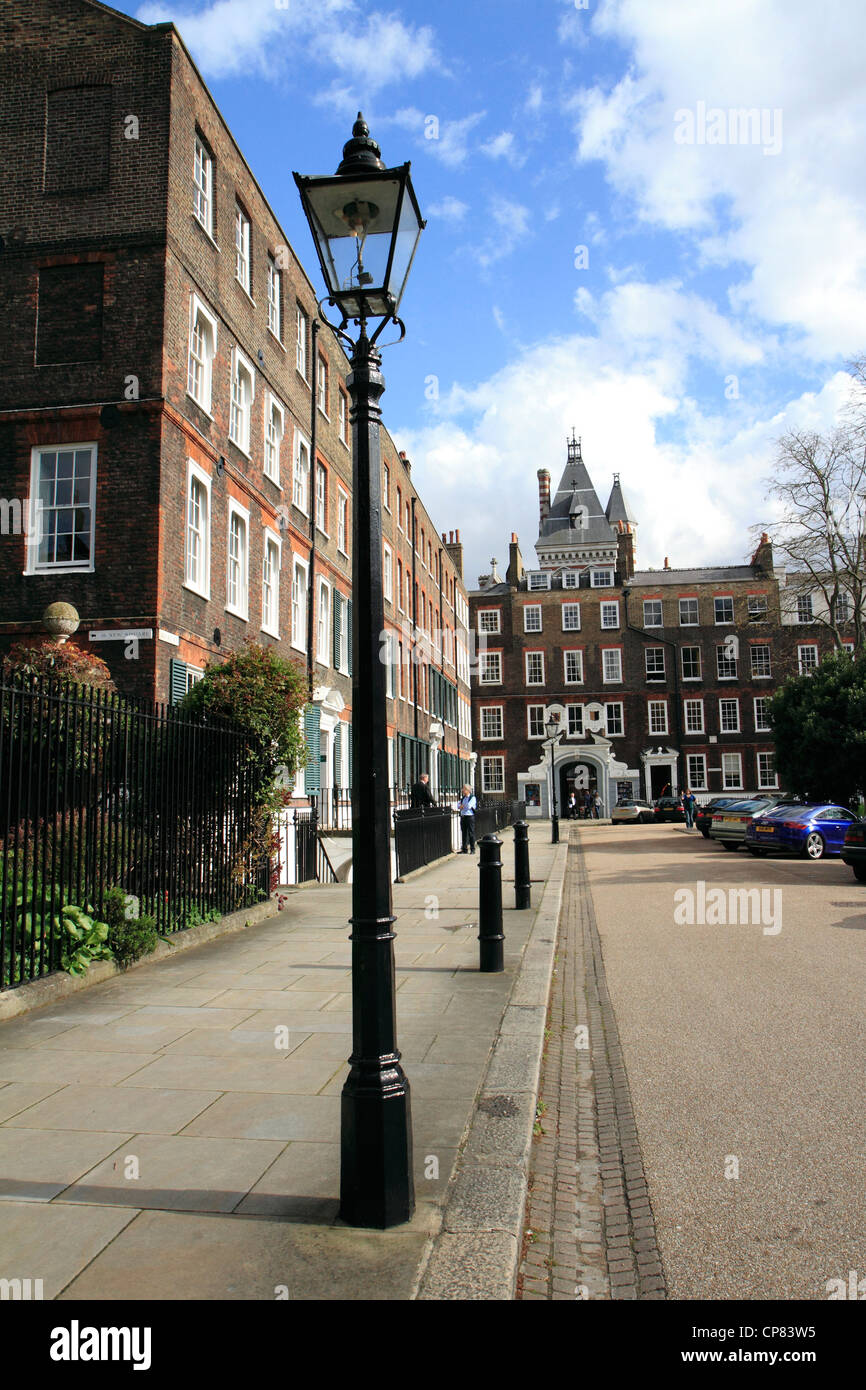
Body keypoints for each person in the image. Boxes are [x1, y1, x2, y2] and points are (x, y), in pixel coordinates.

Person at [457, 784, 477, 853]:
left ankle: (472, 849)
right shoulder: (463, 798)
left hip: (470, 817)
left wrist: (462, 806)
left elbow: (468, 806)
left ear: (468, 790)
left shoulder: (472, 798)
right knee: (464, 833)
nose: (462, 790)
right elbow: (458, 805)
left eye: (464, 789)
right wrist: (461, 806)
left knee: (471, 833)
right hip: (463, 816)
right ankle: (464, 849)